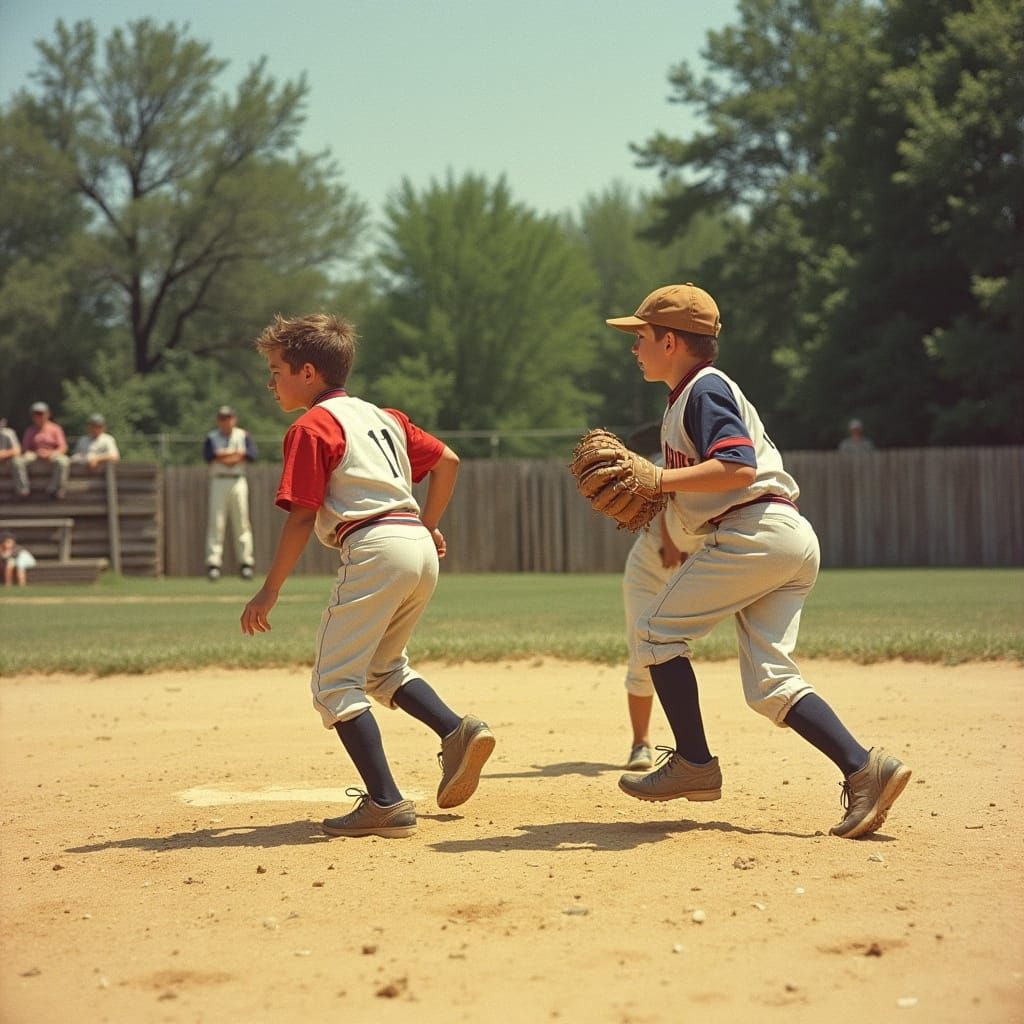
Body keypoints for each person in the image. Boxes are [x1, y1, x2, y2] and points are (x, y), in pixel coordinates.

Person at [605, 282, 910, 839]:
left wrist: (660, 477)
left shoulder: (704, 390)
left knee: (653, 631)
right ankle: (865, 769)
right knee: (770, 683)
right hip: (779, 535)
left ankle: (694, 762)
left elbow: (738, 466)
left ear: (670, 342)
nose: (635, 346)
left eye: (642, 336)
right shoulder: (688, 397)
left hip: (754, 530)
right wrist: (663, 490)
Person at [240, 312, 495, 839]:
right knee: (381, 668)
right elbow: (448, 460)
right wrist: (428, 525)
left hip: (375, 546)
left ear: (308, 373)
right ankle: (455, 730)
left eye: (276, 370)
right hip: (416, 547)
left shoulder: (311, 426)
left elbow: (303, 514)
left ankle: (385, 801)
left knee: (334, 682)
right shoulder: (384, 417)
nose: (271, 382)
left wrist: (269, 590)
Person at [620, 453, 705, 772]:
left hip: (695, 567)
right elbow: (660, 497)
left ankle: (691, 749)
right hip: (649, 567)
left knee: (676, 651)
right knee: (642, 653)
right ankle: (640, 743)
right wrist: (669, 539)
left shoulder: (720, 459)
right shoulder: (665, 458)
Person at [203, 406, 256, 580]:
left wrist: (224, 456)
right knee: (216, 522)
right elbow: (210, 456)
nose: (226, 421)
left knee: (242, 521)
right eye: (222, 418)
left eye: (229, 417)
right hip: (218, 480)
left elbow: (250, 455)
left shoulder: (243, 435)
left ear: (234, 419)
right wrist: (235, 455)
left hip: (238, 479)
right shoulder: (212, 437)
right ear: (219, 420)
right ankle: (213, 563)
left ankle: (246, 563)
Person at [13, 402, 70, 500]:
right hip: (35, 454)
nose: (39, 417)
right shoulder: (30, 430)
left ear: (47, 414)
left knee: (63, 461)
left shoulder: (55, 429)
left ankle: (55, 489)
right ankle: (23, 489)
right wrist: (36, 453)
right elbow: (25, 448)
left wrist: (52, 453)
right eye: (36, 414)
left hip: (52, 454)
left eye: (41, 414)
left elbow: (63, 447)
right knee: (17, 461)